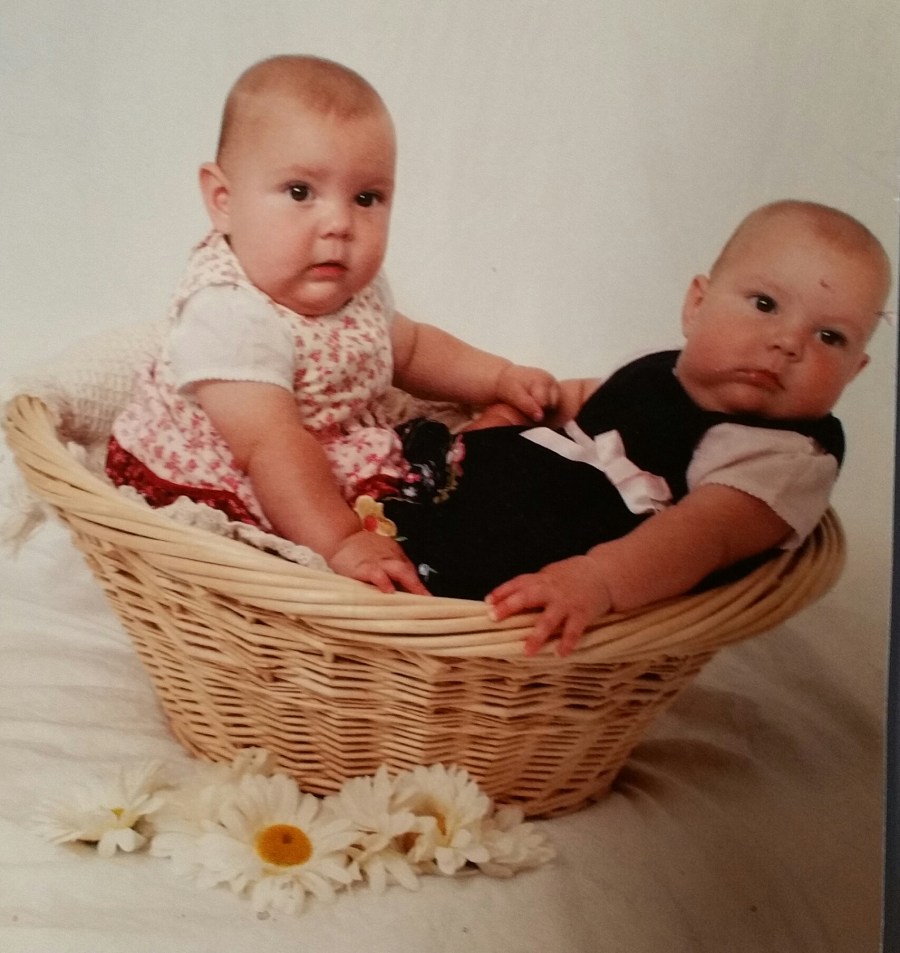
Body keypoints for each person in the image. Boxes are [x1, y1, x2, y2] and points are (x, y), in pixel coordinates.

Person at [105, 55, 558, 595]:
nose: (340, 224)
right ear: (223, 201)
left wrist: (498, 377)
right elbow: (269, 446)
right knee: (401, 522)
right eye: (300, 192)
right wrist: (342, 540)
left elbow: (412, 350)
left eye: (367, 198)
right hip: (250, 471)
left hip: (321, 450)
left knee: (443, 473)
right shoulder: (229, 312)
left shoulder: (353, 287)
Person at [377, 200, 892, 656]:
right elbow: (594, 402)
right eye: (765, 304)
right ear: (697, 305)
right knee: (395, 469)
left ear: (855, 371)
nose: (788, 343)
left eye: (830, 337)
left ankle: (409, 569)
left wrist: (598, 579)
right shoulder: (668, 366)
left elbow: (699, 537)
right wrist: (526, 407)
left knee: (457, 560)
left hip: (567, 552)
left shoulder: (782, 461)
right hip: (499, 482)